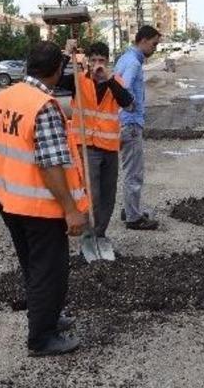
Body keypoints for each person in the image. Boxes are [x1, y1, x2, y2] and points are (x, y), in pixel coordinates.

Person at [0, 40, 90, 357]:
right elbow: (51, 164)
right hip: (38, 207)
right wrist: (71, 210)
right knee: (49, 271)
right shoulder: (44, 106)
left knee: (34, 268)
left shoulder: (4, 97)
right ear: (57, 70)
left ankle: (46, 317)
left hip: (10, 201)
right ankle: (41, 338)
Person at [58, 40, 134, 250]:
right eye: (94, 60)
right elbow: (54, 79)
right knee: (93, 195)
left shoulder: (115, 81)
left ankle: (101, 233)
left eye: (101, 60)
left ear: (107, 62)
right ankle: (89, 235)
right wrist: (66, 53)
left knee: (109, 194)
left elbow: (127, 103)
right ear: (88, 62)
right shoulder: (78, 80)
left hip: (109, 147)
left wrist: (109, 79)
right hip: (87, 146)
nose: (98, 64)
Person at [114, 25, 162, 231]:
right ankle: (133, 218)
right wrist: (130, 104)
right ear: (143, 40)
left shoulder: (124, 58)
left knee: (128, 170)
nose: (155, 48)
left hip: (123, 122)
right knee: (134, 172)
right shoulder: (133, 62)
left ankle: (129, 208)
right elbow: (122, 88)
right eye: (154, 44)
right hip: (130, 123)